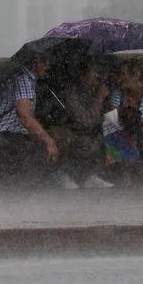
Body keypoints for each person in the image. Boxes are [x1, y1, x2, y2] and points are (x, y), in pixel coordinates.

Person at [0, 53, 68, 188]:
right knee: (44, 147)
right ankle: (32, 187)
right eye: (45, 62)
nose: (48, 66)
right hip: (6, 134)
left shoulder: (29, 79)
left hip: (11, 133)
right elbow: (25, 117)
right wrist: (48, 141)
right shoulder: (23, 80)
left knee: (56, 136)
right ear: (35, 62)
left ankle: (42, 182)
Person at [50, 60, 115, 189]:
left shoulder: (96, 91)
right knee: (86, 144)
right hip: (71, 132)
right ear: (83, 75)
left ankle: (91, 176)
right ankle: (61, 173)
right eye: (94, 72)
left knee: (114, 137)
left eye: (99, 73)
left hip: (91, 132)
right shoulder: (71, 94)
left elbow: (110, 118)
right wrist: (99, 98)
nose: (98, 76)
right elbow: (85, 122)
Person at [108, 60, 143, 186]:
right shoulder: (117, 94)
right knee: (115, 134)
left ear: (135, 75)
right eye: (119, 75)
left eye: (123, 74)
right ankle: (125, 173)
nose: (120, 78)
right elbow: (112, 120)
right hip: (125, 128)